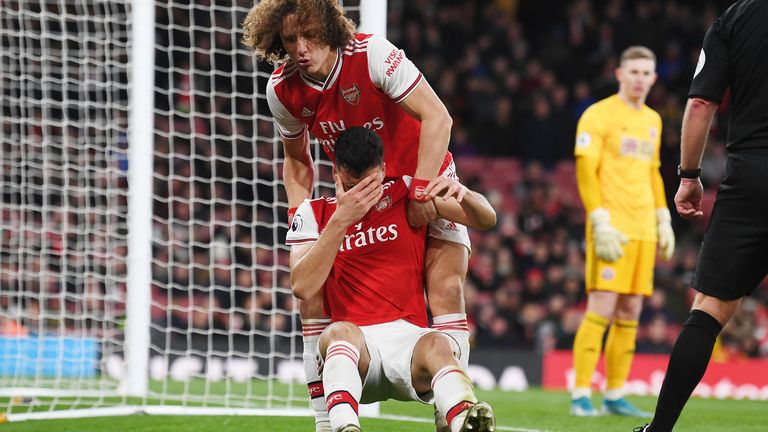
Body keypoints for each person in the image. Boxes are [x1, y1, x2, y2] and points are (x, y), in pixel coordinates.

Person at [242, 2, 470, 430]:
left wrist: (421, 189)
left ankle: (452, 417)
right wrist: (302, 221)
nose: (301, 48)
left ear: (329, 28)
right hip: (361, 192)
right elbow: (297, 161)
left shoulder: (373, 55)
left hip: (422, 180)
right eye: (291, 40)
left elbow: (438, 116)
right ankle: (327, 423)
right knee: (311, 290)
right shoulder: (282, 89)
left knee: (447, 288)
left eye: (309, 35)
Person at [287, 127, 496, 432]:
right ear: (334, 172)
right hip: (356, 352)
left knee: (439, 343)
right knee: (338, 333)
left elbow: (487, 219)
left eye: (370, 184)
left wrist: (466, 195)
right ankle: (345, 427)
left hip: (409, 344)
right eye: (351, 186)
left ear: (384, 169)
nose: (362, 195)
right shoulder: (314, 212)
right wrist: (342, 218)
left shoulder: (405, 194)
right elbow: (301, 287)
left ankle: (463, 419)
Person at [635, 1, 768, 431]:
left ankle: (659, 431)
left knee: (709, 311)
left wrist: (689, 176)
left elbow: (700, 103)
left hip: (753, 174)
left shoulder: (736, 18)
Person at [570, 46, 675, 417]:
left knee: (631, 309)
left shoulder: (653, 120)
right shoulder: (598, 115)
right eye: (633, 71)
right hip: (611, 228)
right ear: (619, 74)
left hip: (643, 227)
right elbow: (586, 171)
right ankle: (581, 393)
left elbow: (652, 172)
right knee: (601, 307)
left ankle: (614, 393)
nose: (639, 79)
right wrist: (598, 219)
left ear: (654, 78)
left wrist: (662, 216)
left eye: (646, 72)